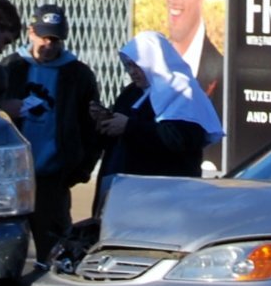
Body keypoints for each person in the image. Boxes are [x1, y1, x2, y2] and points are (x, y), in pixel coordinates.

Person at [1, 4, 101, 261]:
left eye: (55, 40)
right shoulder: (12, 67)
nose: (49, 45)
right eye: (44, 37)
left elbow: (90, 126)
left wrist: (80, 168)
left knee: (55, 246)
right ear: (31, 32)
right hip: (13, 174)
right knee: (7, 246)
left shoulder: (77, 74)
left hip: (53, 176)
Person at [91, 31, 225, 209]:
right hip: (123, 197)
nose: (132, 72)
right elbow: (118, 137)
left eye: (136, 65)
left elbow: (180, 139)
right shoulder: (132, 92)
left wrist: (129, 127)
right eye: (128, 66)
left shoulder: (183, 93)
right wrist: (104, 121)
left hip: (165, 199)